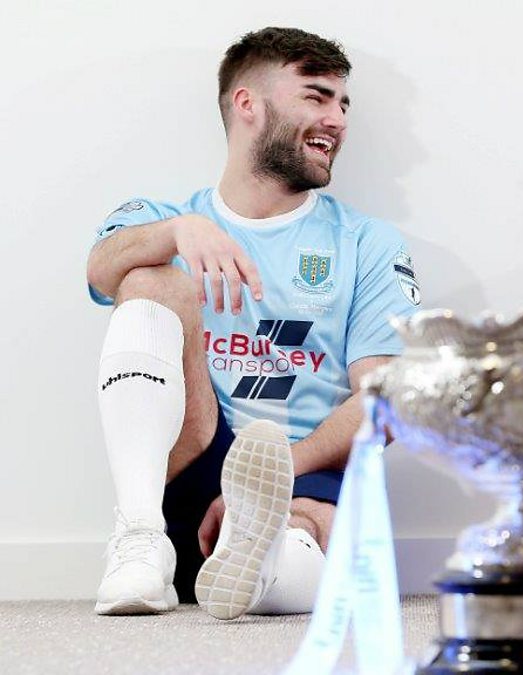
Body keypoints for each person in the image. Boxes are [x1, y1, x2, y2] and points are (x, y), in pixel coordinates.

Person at [86, 27, 422, 619]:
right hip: (193, 458)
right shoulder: (166, 218)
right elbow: (100, 267)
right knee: (148, 278)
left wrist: (271, 477)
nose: (338, 119)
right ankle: (140, 536)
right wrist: (176, 234)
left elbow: (386, 398)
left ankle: (264, 560)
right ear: (248, 103)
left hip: (299, 467)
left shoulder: (367, 241)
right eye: (316, 97)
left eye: (343, 104)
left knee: (302, 527)